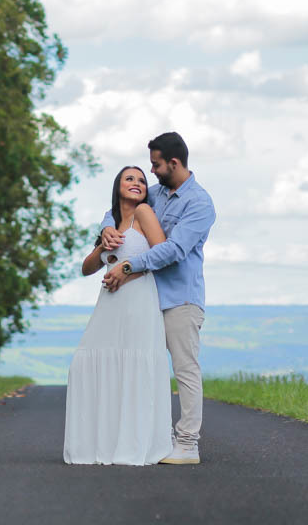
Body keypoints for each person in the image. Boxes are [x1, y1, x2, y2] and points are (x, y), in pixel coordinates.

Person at [99, 131, 216, 465]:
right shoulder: (157, 193)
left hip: (180, 299)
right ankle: (153, 438)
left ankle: (188, 443)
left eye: (156, 165)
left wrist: (128, 265)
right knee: (145, 370)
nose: (150, 172)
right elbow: (122, 206)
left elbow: (175, 250)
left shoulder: (200, 204)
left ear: (173, 163)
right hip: (146, 299)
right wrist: (107, 226)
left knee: (185, 370)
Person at [63, 165, 173, 465]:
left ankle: (134, 444)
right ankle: (102, 444)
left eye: (141, 180)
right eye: (129, 178)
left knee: (134, 366)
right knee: (84, 364)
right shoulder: (110, 223)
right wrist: (102, 244)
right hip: (109, 303)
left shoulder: (145, 214)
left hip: (138, 298)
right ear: (118, 186)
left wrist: (127, 271)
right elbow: (86, 268)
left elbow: (161, 255)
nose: (137, 183)